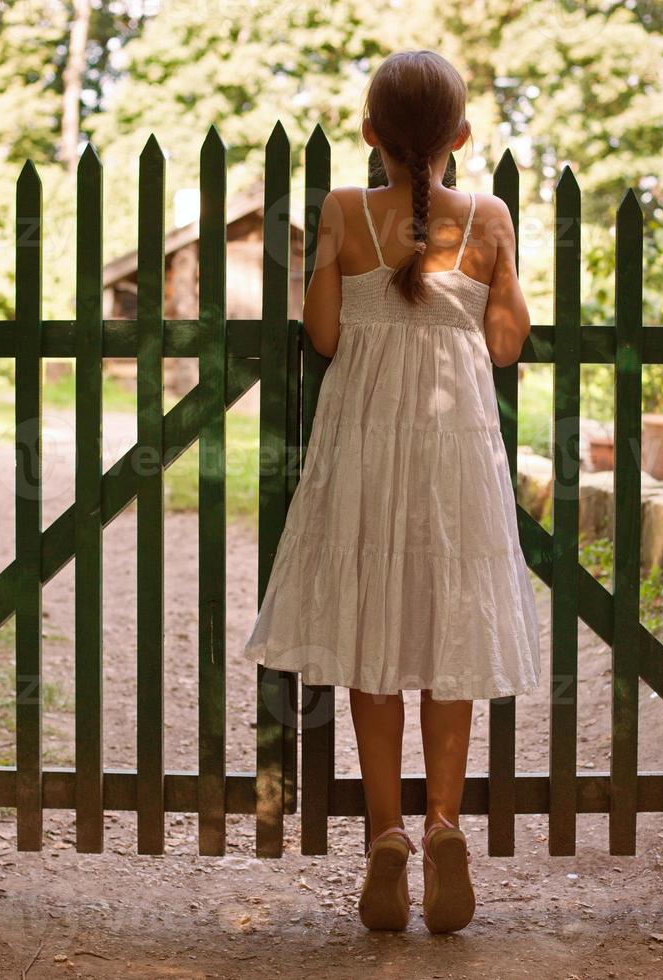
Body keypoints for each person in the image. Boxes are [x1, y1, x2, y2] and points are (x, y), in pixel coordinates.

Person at [244, 49, 540, 934]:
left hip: (365, 447)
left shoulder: (342, 211)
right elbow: (505, 345)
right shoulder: (487, 218)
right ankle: (445, 823)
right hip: (454, 455)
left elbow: (326, 337)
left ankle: (385, 836)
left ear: (369, 134)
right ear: (462, 136)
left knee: (371, 625)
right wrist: (498, 270)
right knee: (451, 618)